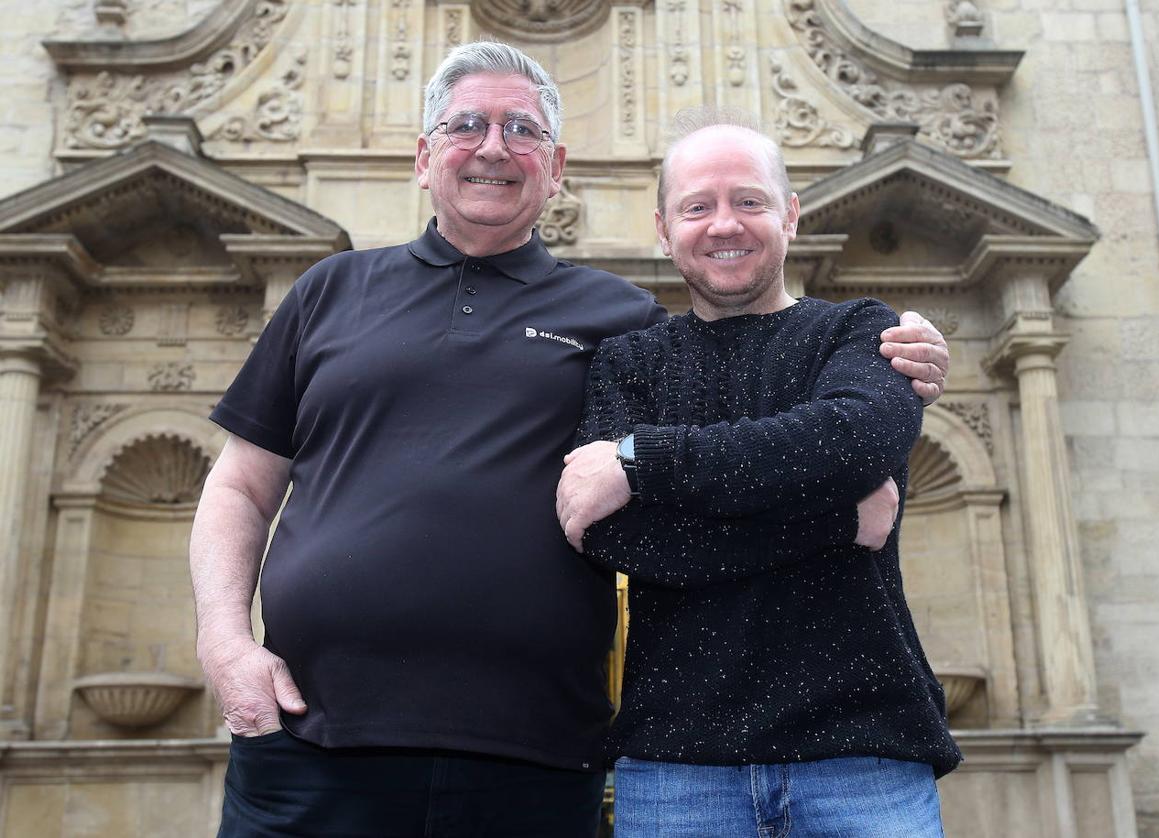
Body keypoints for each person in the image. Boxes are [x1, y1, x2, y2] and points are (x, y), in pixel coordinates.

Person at [189, 43, 950, 837]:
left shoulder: (621, 324)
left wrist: (899, 362)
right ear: (424, 157)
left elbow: (755, 452)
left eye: (521, 129)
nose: (492, 146)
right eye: (467, 125)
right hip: (312, 732)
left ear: (555, 168)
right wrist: (224, 644)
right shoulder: (328, 291)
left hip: (534, 755)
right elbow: (240, 485)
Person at [555, 109, 961, 837]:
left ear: (791, 215)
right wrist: (837, 517)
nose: (724, 225)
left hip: (863, 754)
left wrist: (643, 460)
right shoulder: (628, 364)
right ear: (663, 227)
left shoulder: (860, 331)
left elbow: (852, 440)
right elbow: (615, 537)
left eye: (748, 201)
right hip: (677, 765)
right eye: (697, 207)